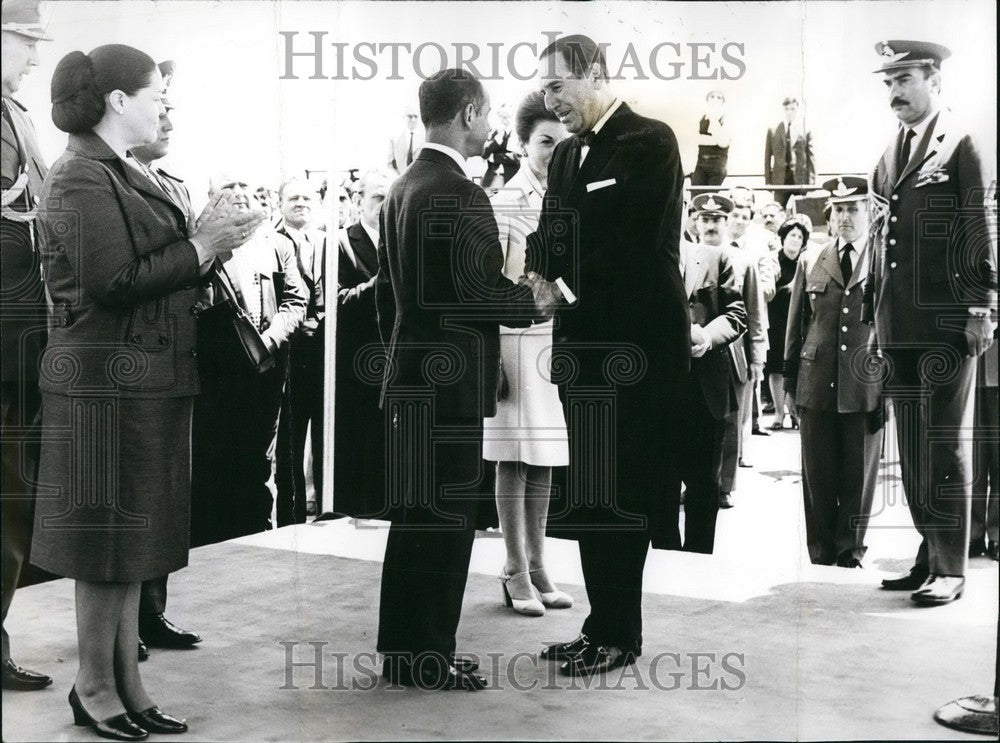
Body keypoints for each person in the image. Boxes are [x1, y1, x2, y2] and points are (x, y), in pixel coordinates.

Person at [32, 43, 265, 738]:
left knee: (131, 544)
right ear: (118, 101)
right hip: (104, 384)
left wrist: (211, 238)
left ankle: (125, 683)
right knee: (104, 545)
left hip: (142, 379)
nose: (165, 106)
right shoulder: (80, 175)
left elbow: (150, 267)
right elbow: (115, 280)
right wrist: (205, 244)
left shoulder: (124, 170)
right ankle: (94, 684)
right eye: (156, 95)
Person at [525, 34, 690, 678]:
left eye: (557, 86)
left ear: (594, 74)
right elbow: (551, 231)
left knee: (624, 491)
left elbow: (635, 247)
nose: (550, 101)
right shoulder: (567, 154)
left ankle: (620, 634)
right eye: (544, 89)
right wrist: (536, 275)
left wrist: (561, 290)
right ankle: (601, 626)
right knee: (594, 492)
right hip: (584, 351)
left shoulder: (651, 141)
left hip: (637, 353)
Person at [375, 68, 540, 691]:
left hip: (411, 376)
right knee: (446, 523)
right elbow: (476, 292)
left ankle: (404, 650)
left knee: (414, 520)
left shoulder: (403, 187)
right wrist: (534, 301)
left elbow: (400, 294)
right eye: (488, 114)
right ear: (468, 113)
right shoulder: (462, 193)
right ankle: (431, 656)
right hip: (450, 385)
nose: (490, 126)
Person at [864, 40, 996, 604]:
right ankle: (929, 551)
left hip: (947, 321)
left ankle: (950, 567)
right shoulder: (890, 151)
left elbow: (978, 226)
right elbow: (879, 242)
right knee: (914, 449)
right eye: (889, 83)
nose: (894, 92)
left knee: (945, 444)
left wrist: (981, 308)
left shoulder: (962, 142)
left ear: (934, 80)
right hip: (898, 323)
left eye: (905, 80)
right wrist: (875, 317)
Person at [482, 90, 570, 617]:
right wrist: (492, 354)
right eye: (544, 142)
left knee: (545, 455)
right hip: (513, 339)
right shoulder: (505, 203)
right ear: (523, 145)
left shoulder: (569, 196)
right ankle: (514, 567)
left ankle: (538, 565)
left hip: (553, 341)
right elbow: (491, 284)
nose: (554, 152)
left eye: (562, 142)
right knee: (513, 456)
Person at [128, 60, 202, 655]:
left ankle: (152, 612)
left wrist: (216, 251)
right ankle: (121, 626)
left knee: (165, 497)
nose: (169, 121)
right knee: (134, 499)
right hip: (135, 359)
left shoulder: (172, 185)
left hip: (173, 352)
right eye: (162, 107)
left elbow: (185, 268)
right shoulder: (109, 182)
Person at [189, 174, 306, 548]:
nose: (240, 196)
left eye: (247, 190)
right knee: (214, 462)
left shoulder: (277, 244)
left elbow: (296, 300)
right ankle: (213, 546)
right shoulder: (203, 245)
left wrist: (269, 341)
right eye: (229, 190)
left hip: (264, 374)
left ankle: (256, 540)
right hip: (216, 376)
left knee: (258, 464)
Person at [784, 178, 884, 567]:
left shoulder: (881, 260)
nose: (844, 217)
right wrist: (790, 382)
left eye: (853, 209)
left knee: (859, 472)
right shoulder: (811, 259)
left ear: (869, 212)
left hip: (865, 380)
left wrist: (890, 387)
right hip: (816, 380)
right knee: (818, 472)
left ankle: (850, 548)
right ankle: (821, 548)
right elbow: (797, 326)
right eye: (838, 209)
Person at [0, 0, 52, 692]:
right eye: (26, 41)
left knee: (10, 502)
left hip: (19, 340)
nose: (37, 56)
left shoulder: (19, 116)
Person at [670, 194, 747, 552]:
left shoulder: (717, 258)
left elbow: (736, 313)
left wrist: (707, 335)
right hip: (663, 388)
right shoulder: (651, 258)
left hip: (706, 390)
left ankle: (698, 559)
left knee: (703, 485)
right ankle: (667, 555)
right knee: (662, 485)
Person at [333, 169, 391, 520]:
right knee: (359, 461)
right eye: (378, 197)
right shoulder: (341, 243)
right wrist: (382, 280)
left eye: (391, 198)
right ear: (358, 200)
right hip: (359, 369)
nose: (385, 205)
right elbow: (338, 303)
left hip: (395, 366)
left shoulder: (402, 241)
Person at [274, 177, 326, 524]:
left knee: (325, 441)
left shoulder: (330, 243)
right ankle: (289, 522)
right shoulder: (271, 243)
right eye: (293, 198)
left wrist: (320, 320)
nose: (300, 203)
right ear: (280, 204)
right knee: (289, 445)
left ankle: (325, 514)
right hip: (289, 356)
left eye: (307, 198)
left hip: (324, 355)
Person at [765, 216, 809, 430]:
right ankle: (778, 413)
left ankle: (795, 413)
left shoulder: (805, 263)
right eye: (792, 235)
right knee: (775, 366)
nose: (795, 240)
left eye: (800, 237)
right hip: (776, 320)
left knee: (794, 366)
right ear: (783, 238)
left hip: (796, 323)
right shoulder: (773, 260)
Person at [764, 96, 816, 207]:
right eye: (787, 109)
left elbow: (811, 158)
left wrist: (811, 183)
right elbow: (767, 157)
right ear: (783, 109)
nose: (789, 112)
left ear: (797, 109)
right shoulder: (773, 130)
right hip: (780, 181)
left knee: (801, 211)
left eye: (792, 109)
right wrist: (768, 181)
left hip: (800, 181)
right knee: (778, 211)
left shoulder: (805, 130)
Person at [691, 90, 729, 186]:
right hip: (700, 162)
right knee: (696, 193)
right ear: (707, 100)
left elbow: (723, 143)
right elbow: (695, 139)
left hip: (717, 163)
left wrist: (713, 119)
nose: (715, 99)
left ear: (723, 102)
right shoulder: (702, 117)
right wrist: (715, 140)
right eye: (712, 96)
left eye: (719, 97)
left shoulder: (726, 118)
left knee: (711, 194)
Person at [481, 102, 520, 188]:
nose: (504, 120)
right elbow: (484, 154)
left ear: (513, 117)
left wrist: (494, 157)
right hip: (492, 176)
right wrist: (496, 141)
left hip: (512, 177)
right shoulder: (494, 132)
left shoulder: (518, 134)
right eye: (502, 117)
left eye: (507, 117)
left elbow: (517, 157)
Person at [386, 105, 423, 175]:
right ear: (404, 117)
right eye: (410, 116)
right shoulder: (395, 139)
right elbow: (390, 164)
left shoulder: (423, 140)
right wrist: (399, 177)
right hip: (400, 178)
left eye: (415, 116)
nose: (413, 120)